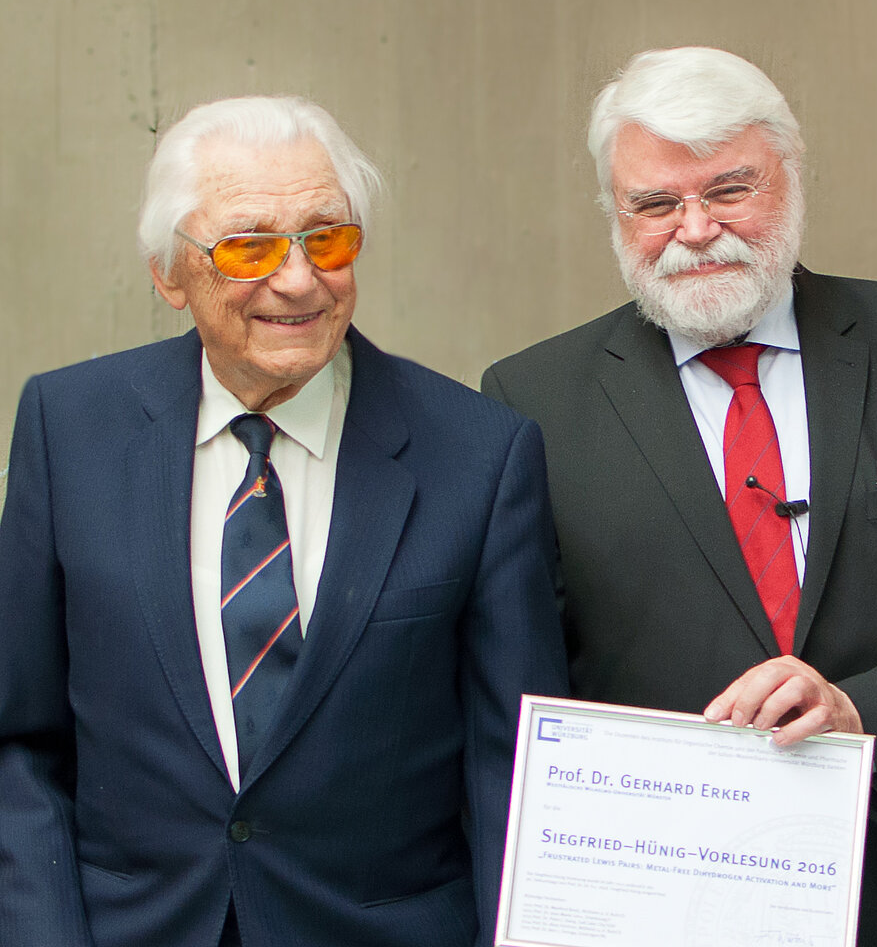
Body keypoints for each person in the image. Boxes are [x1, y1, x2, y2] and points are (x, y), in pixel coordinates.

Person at [481, 46, 877, 946]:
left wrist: (864, 715)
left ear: (791, 176)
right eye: (654, 204)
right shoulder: (531, 400)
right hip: (659, 903)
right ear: (614, 213)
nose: (695, 229)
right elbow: (517, 674)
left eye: (729, 190)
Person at [0, 95, 568, 947]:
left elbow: (515, 774)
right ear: (169, 274)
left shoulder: (480, 456)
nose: (299, 279)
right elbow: (20, 742)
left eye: (326, 238)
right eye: (249, 246)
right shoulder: (68, 429)